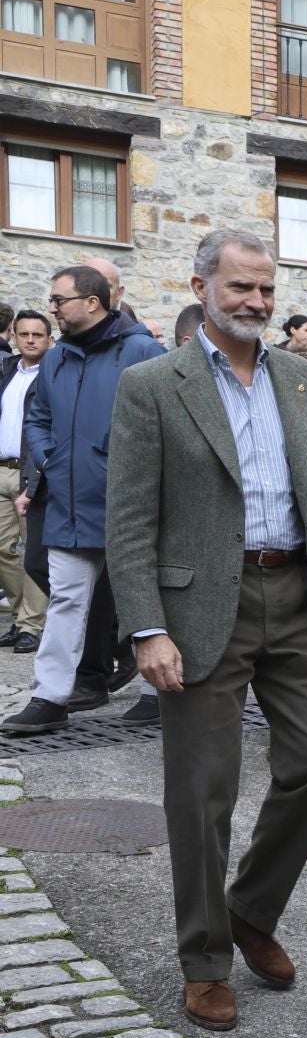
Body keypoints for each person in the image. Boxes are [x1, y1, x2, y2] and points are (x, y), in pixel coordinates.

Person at [106, 227, 307, 1032]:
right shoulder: (153, 384)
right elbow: (131, 520)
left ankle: (252, 908)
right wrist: (147, 626)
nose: (256, 302)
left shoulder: (306, 383)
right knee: (203, 794)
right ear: (201, 286)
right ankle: (206, 959)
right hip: (198, 608)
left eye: (267, 289)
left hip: (295, 596)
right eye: (241, 287)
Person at [2, 265, 167, 736]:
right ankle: (50, 696)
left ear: (92, 303)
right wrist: (52, 457)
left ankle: (157, 693)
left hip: (130, 504)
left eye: (59, 299)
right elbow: (38, 417)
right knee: (67, 600)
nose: (52, 307)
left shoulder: (142, 351)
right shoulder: (56, 358)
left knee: (144, 596)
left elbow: (162, 422)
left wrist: (112, 458)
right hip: (68, 502)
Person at [0, 309, 51, 651]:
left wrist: (39, 478)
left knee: (33, 549)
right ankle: (21, 617)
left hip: (32, 472)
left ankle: (31, 624)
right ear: (14, 337)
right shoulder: (6, 371)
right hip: (2, 468)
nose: (30, 340)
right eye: (24, 334)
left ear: (50, 339)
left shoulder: (53, 375)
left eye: (37, 334)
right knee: (3, 549)